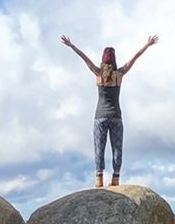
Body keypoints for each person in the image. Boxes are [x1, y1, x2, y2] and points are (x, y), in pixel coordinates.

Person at [60, 34, 158, 187]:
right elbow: (135, 58)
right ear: (114, 60)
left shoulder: (98, 74)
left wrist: (71, 46)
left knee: (99, 146)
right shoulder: (119, 74)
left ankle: (98, 177)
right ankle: (116, 177)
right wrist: (147, 45)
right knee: (117, 147)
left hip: (100, 117)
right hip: (116, 117)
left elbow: (84, 58)